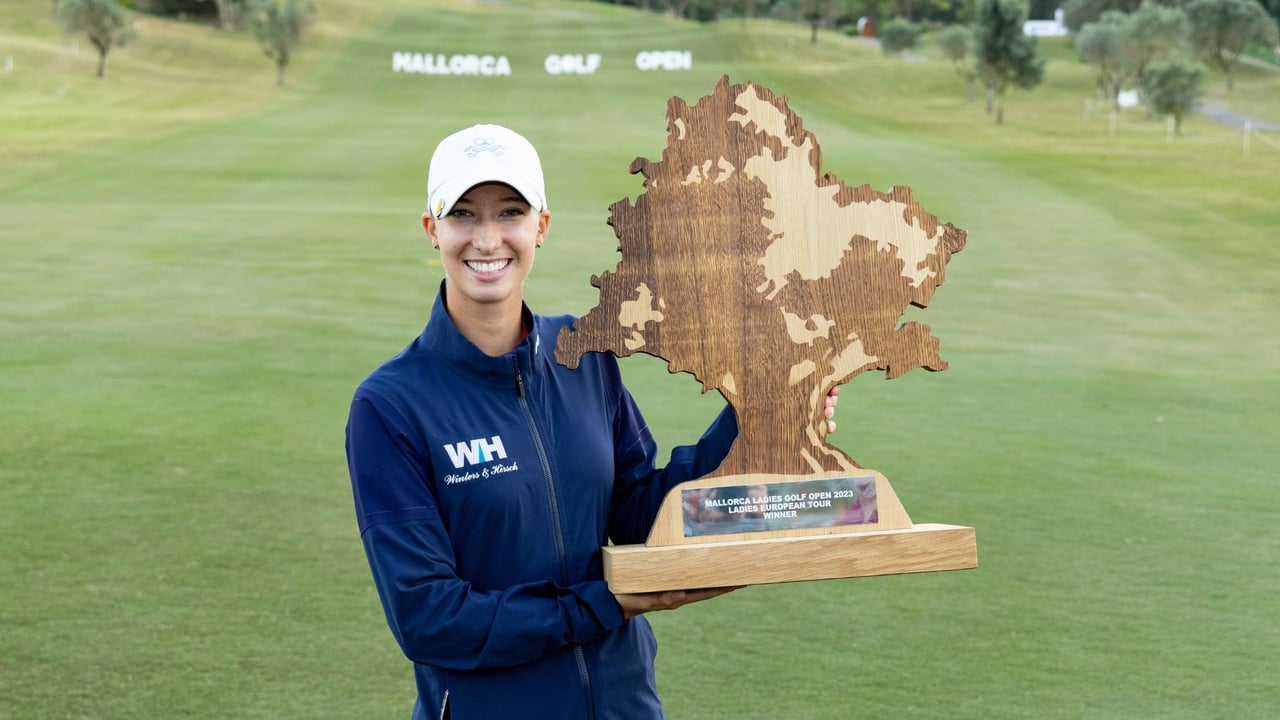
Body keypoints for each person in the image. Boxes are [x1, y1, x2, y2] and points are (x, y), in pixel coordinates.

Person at [345, 124, 838, 720]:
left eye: (510, 212)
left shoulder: (583, 354)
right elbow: (428, 619)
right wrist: (604, 602)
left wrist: (754, 420)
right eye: (464, 215)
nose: (488, 238)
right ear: (433, 229)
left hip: (623, 703)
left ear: (541, 227)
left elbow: (638, 515)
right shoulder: (391, 405)